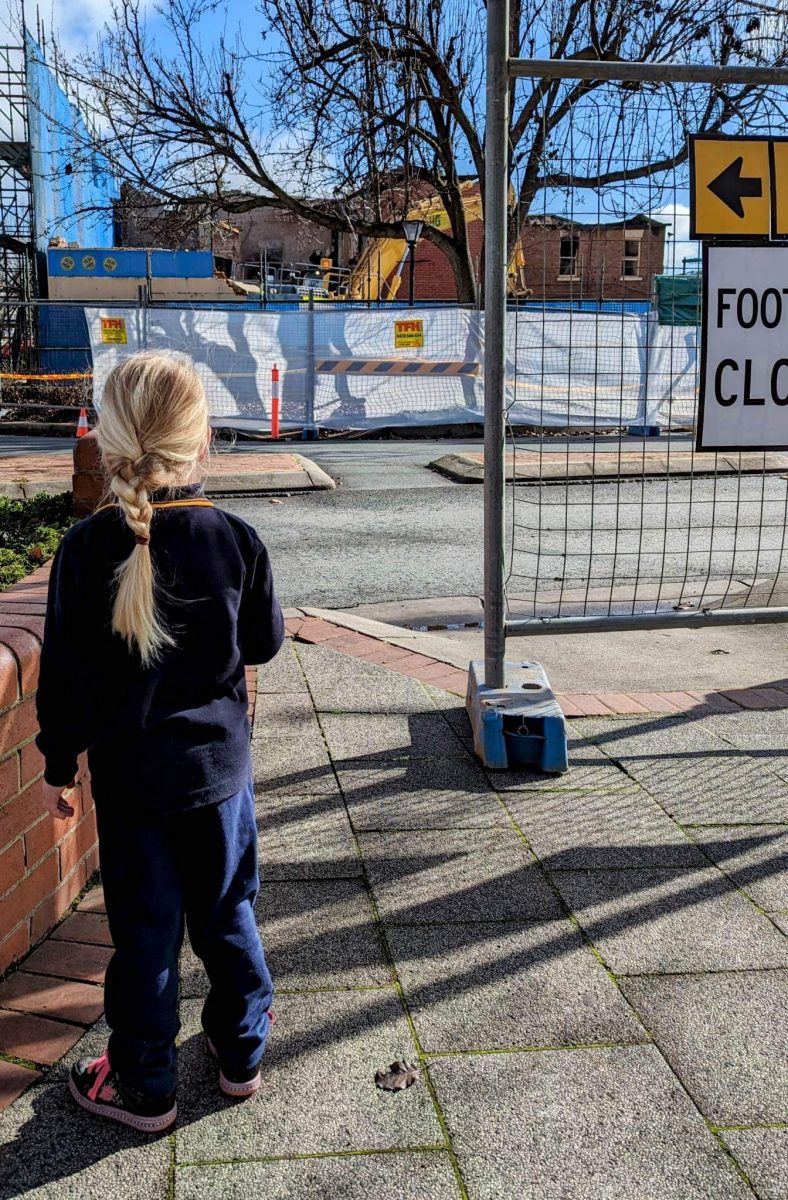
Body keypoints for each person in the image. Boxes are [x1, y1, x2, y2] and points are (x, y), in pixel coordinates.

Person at [35, 351, 284, 1133]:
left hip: (134, 788)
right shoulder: (235, 539)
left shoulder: (84, 551)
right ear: (200, 440)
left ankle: (145, 1085)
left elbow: (67, 682)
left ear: (107, 445)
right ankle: (240, 1054)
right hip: (219, 777)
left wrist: (55, 765)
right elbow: (265, 643)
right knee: (228, 913)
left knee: (144, 934)